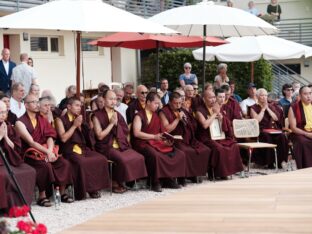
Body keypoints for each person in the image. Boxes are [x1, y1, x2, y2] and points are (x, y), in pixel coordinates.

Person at [15, 94, 73, 207]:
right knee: (44, 166)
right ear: (26, 105)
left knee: (64, 163)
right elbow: (31, 142)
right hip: (30, 154)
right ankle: (42, 196)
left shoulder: (41, 119)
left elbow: (50, 136)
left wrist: (50, 150)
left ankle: (61, 193)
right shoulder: (20, 122)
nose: (37, 104)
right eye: (33, 102)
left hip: (46, 150)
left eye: (37, 102)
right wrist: (47, 152)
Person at [93, 90, 147, 193]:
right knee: (122, 159)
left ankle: (128, 181)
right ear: (104, 100)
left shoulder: (117, 114)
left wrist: (117, 125)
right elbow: (99, 136)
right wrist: (111, 124)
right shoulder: (96, 115)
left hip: (120, 144)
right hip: (106, 146)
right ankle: (115, 182)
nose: (113, 101)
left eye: (115, 99)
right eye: (110, 99)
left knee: (138, 157)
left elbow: (125, 130)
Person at [55, 97, 110, 199]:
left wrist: (86, 127)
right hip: (69, 150)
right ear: (69, 107)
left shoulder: (80, 119)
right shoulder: (60, 120)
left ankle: (94, 188)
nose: (79, 108)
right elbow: (63, 138)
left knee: (101, 159)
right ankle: (84, 190)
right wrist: (74, 125)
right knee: (81, 163)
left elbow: (86, 137)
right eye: (76, 105)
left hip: (83, 149)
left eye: (80, 106)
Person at [131, 92, 186, 192]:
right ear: (148, 102)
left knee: (177, 153)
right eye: (156, 103)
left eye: (158, 104)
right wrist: (153, 137)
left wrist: (166, 141)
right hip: (142, 143)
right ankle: (155, 182)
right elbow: (136, 133)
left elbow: (161, 132)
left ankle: (169, 180)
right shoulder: (139, 115)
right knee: (155, 155)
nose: (158, 106)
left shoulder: (156, 116)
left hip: (156, 142)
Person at [159, 92, 211, 185]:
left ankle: (194, 174)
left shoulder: (182, 110)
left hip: (188, 138)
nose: (178, 105)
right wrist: (178, 119)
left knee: (205, 150)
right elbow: (167, 129)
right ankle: (182, 177)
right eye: (176, 103)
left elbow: (193, 124)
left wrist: (188, 121)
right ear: (170, 102)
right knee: (186, 152)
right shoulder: (164, 111)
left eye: (180, 103)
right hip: (174, 139)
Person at [196, 90, 244, 179]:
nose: (213, 100)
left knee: (233, 145)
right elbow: (205, 125)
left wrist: (221, 119)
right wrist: (215, 114)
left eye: (214, 97)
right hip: (206, 138)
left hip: (218, 136)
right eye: (210, 98)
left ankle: (228, 171)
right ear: (204, 99)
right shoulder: (199, 110)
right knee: (219, 149)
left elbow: (224, 126)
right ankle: (217, 173)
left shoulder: (217, 109)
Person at [0, 100, 36, 212]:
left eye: (4, 112)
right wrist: (0, 135)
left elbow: (16, 148)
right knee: (4, 176)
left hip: (9, 159)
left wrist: (5, 137)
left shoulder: (8, 126)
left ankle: (21, 205)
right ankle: (7, 207)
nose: (3, 115)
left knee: (30, 171)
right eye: (0, 112)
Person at [250, 88, 288, 168]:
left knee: (282, 136)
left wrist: (267, 108)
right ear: (257, 97)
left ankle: (280, 161)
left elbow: (276, 118)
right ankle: (269, 163)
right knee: (267, 137)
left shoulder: (271, 106)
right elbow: (256, 120)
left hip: (273, 130)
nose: (264, 97)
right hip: (262, 131)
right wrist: (263, 109)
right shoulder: (253, 107)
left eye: (266, 95)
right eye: (262, 95)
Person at [288, 86, 312, 169]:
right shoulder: (294, 107)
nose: (308, 96)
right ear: (300, 96)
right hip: (299, 133)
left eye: (310, 93)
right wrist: (307, 134)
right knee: (303, 142)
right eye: (305, 94)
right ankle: (306, 168)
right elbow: (293, 128)